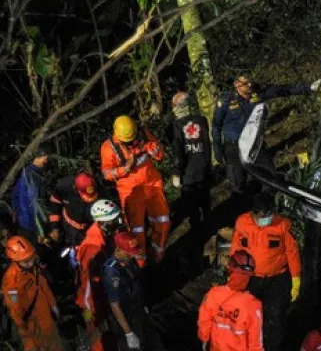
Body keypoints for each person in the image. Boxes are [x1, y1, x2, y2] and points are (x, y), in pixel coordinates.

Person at [213, 74, 321, 193]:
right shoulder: (225, 99)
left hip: (254, 144)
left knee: (269, 175)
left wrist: (309, 87)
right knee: (238, 182)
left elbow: (281, 90)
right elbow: (216, 125)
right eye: (245, 83)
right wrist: (217, 149)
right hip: (233, 146)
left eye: (250, 82)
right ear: (236, 84)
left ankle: (268, 200)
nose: (250, 85)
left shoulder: (257, 93)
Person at [229, 192, 301, 351]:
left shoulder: (282, 225)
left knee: (275, 317)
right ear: (254, 213)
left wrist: (296, 279)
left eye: (269, 214)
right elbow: (236, 249)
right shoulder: (242, 223)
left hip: (276, 279)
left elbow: (292, 252)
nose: (266, 219)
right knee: (249, 317)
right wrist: (234, 276)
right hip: (251, 278)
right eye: (263, 215)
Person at [1, 236, 67, 351]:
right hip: (32, 328)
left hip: (46, 321)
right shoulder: (12, 283)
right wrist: (29, 344)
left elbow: (42, 285)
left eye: (31, 259)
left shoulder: (32, 266)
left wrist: (53, 305)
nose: (30, 263)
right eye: (26, 261)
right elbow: (16, 316)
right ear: (14, 261)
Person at [100, 115, 170, 266]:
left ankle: (159, 252)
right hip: (130, 192)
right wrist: (125, 169)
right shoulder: (109, 147)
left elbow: (160, 155)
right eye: (127, 141)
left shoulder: (144, 134)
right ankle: (140, 261)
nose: (131, 143)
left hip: (152, 185)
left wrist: (154, 150)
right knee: (136, 230)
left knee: (163, 221)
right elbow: (107, 173)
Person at [76, 199, 123, 351]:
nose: (117, 222)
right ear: (103, 221)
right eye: (114, 219)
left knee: (108, 332)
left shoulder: (104, 237)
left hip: (102, 292)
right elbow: (85, 281)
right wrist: (88, 307)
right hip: (92, 299)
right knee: (98, 335)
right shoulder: (92, 246)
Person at [101, 231, 150, 351]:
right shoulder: (111, 271)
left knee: (142, 346)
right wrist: (128, 332)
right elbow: (115, 305)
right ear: (118, 251)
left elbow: (135, 285)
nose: (132, 257)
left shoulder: (127, 262)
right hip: (123, 316)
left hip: (135, 309)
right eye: (129, 254)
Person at [170, 91, 212, 232]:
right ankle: (208, 224)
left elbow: (178, 153)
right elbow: (207, 145)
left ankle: (198, 232)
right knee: (205, 200)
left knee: (191, 205)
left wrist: (176, 173)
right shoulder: (202, 120)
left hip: (188, 173)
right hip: (203, 167)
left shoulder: (177, 126)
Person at [48, 171, 100, 263]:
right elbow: (54, 205)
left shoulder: (98, 186)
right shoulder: (62, 187)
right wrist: (54, 227)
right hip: (70, 225)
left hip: (91, 224)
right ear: (75, 188)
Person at [11, 143, 52, 247]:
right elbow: (34, 206)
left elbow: (14, 194)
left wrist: (18, 214)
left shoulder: (27, 172)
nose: (47, 161)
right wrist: (40, 232)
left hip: (24, 223)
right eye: (46, 158)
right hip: (32, 227)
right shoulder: (33, 177)